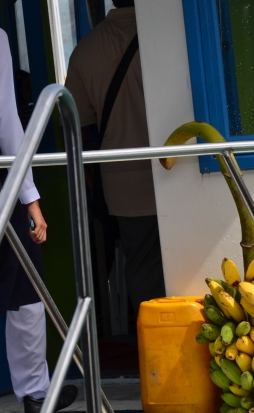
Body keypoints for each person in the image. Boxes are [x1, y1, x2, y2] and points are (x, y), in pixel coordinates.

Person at [0, 19, 78, 413]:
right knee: (26, 284)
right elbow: (5, 118)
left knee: (23, 285)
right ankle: (35, 393)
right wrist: (30, 198)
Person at [65, 0, 165, 317]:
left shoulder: (85, 49)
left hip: (124, 182)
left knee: (142, 267)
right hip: (183, 168)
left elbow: (76, 123)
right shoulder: (168, 35)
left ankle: (150, 345)